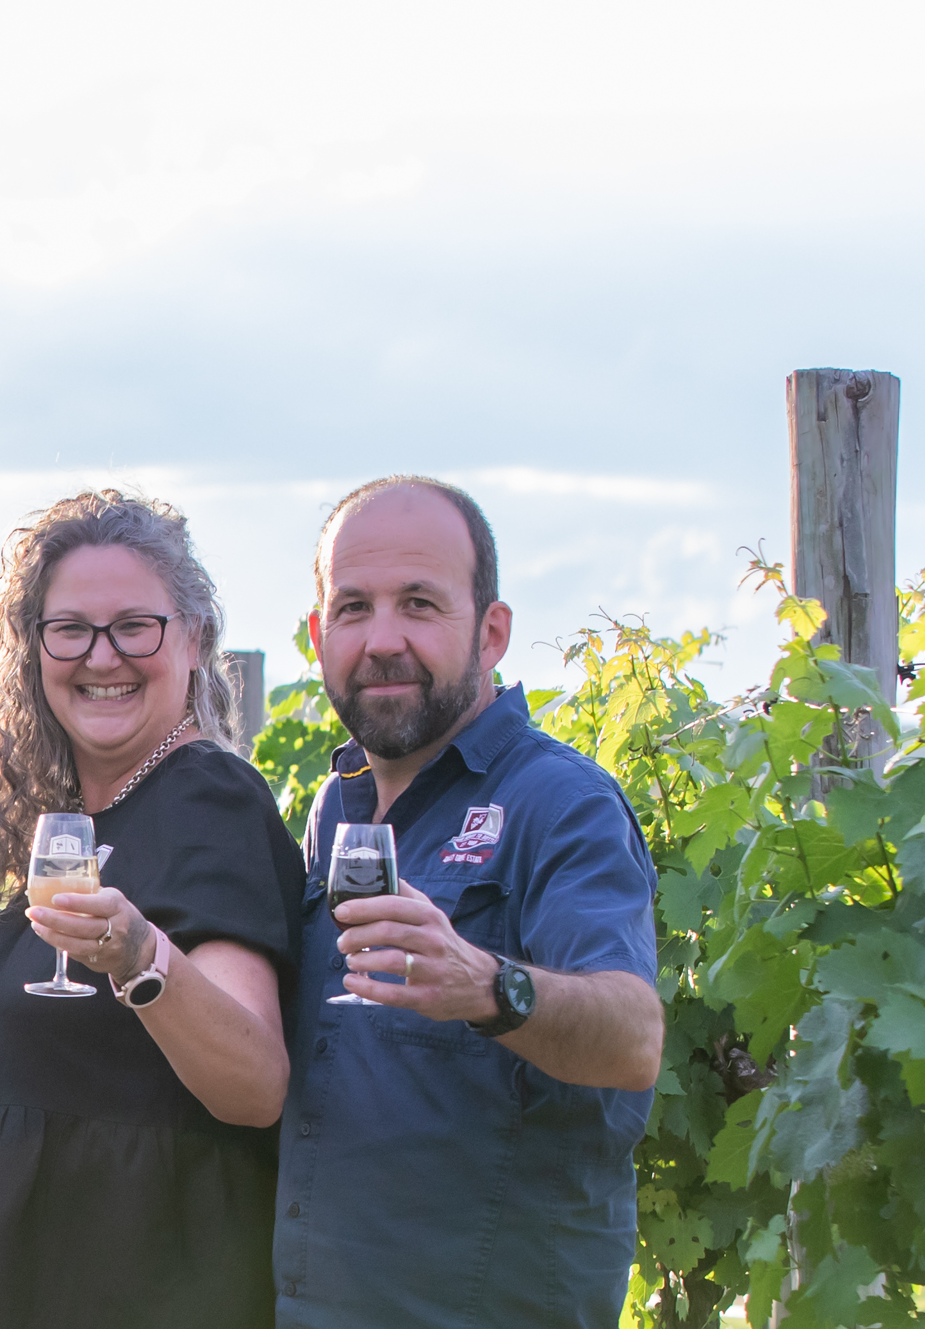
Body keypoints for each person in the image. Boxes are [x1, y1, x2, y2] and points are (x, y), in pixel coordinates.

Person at [276, 477, 663, 1328]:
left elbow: (634, 1037)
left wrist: (487, 986)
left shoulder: (561, 804)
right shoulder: (332, 806)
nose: (382, 639)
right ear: (317, 634)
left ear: (491, 632)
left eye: (419, 603)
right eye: (352, 607)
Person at [0, 490, 301, 1329]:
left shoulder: (208, 800)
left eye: (136, 626)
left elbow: (255, 1081)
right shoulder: (72, 825)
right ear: (35, 649)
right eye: (72, 629)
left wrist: (139, 957)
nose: (103, 655)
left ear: (194, 640)